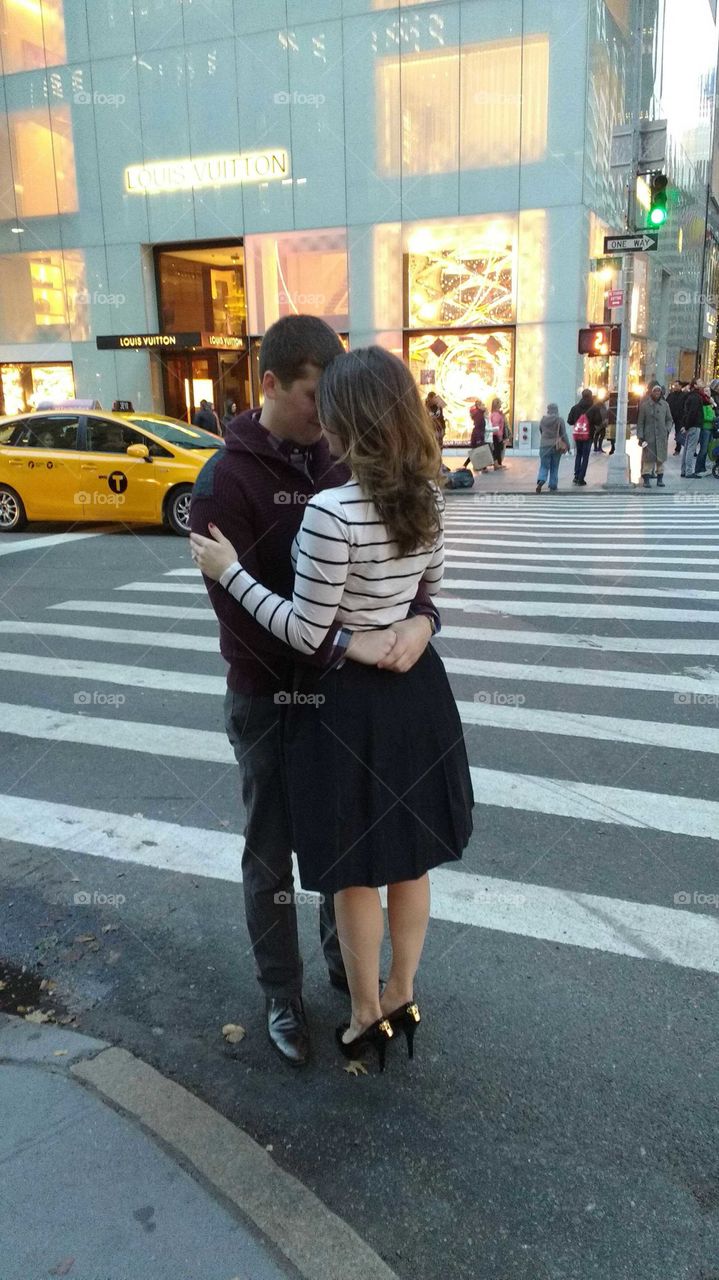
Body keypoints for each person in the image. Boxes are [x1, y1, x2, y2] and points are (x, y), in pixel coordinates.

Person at [191, 346, 473, 1071]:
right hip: (416, 696)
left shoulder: (330, 507)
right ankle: (400, 993)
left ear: (345, 416)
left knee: (350, 868)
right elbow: (429, 586)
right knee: (409, 862)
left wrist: (233, 574)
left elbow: (308, 633)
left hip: (345, 703)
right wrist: (413, 626)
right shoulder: (426, 493)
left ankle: (363, 1012)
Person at [637, 384, 673, 487]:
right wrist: (640, 436)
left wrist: (667, 429)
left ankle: (660, 479)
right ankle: (646, 480)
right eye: (655, 391)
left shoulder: (665, 405)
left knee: (660, 459)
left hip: (661, 436)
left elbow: (669, 419)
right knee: (648, 459)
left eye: (659, 391)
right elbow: (640, 422)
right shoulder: (645, 405)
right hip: (649, 437)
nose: (657, 393)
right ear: (651, 392)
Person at [535, 403, 571, 492]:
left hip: (544, 446)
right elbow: (564, 434)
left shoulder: (543, 420)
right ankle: (553, 485)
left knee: (544, 465)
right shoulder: (560, 420)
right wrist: (568, 445)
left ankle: (541, 480)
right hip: (556, 447)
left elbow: (541, 431)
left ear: (548, 410)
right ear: (556, 410)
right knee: (554, 466)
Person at [568, 388, 595, 485]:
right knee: (585, 456)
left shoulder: (575, 408)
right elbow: (598, 421)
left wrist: (577, 422)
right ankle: (581, 478)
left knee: (578, 454)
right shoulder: (593, 408)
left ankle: (576, 475)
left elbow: (569, 421)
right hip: (589, 435)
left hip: (578, 435)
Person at [680, 379, 706, 477]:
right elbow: (692, 413)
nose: (702, 383)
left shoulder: (691, 396)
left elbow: (687, 412)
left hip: (691, 425)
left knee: (687, 448)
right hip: (694, 425)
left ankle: (684, 470)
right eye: (699, 382)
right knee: (691, 448)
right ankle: (689, 471)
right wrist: (687, 426)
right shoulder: (695, 397)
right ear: (695, 385)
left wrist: (685, 425)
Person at [694, 380, 718, 477]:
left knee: (708, 448)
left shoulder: (709, 401)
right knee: (703, 449)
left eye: (709, 391)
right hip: (705, 428)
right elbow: (705, 416)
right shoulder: (703, 402)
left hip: (711, 428)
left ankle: (703, 467)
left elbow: (713, 411)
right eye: (706, 391)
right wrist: (714, 419)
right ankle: (698, 468)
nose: (708, 393)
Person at [465, 400, 490, 471]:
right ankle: (483, 467)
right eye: (482, 405)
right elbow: (478, 426)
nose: (484, 406)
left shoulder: (478, 413)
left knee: (476, 451)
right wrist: (479, 438)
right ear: (479, 406)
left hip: (477, 435)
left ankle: (467, 465)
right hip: (478, 435)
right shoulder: (479, 414)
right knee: (479, 450)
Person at [666, 381, 686, 454]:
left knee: (678, 433)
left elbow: (685, 406)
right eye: (674, 386)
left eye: (677, 385)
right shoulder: (671, 395)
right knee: (666, 431)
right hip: (670, 416)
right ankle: (664, 447)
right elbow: (666, 403)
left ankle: (678, 449)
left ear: (680, 386)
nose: (675, 387)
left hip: (679, 417)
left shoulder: (684, 395)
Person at [489, 397, 509, 468]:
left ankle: (498, 463)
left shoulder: (495, 414)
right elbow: (496, 425)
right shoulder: (496, 415)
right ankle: (497, 464)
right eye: (500, 403)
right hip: (496, 434)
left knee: (498, 449)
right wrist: (499, 435)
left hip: (496, 434)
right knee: (497, 449)